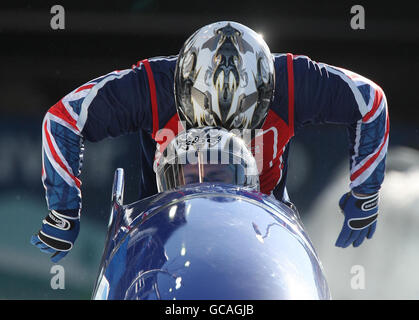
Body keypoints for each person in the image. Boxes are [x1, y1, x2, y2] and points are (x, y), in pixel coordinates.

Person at [31, 21, 389, 262]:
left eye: (240, 128)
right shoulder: (151, 86)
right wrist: (64, 209)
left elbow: (370, 102)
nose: (223, 141)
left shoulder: (294, 80)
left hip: (262, 235)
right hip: (161, 236)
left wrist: (366, 192)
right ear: (182, 85)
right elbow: (63, 119)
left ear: (269, 89)